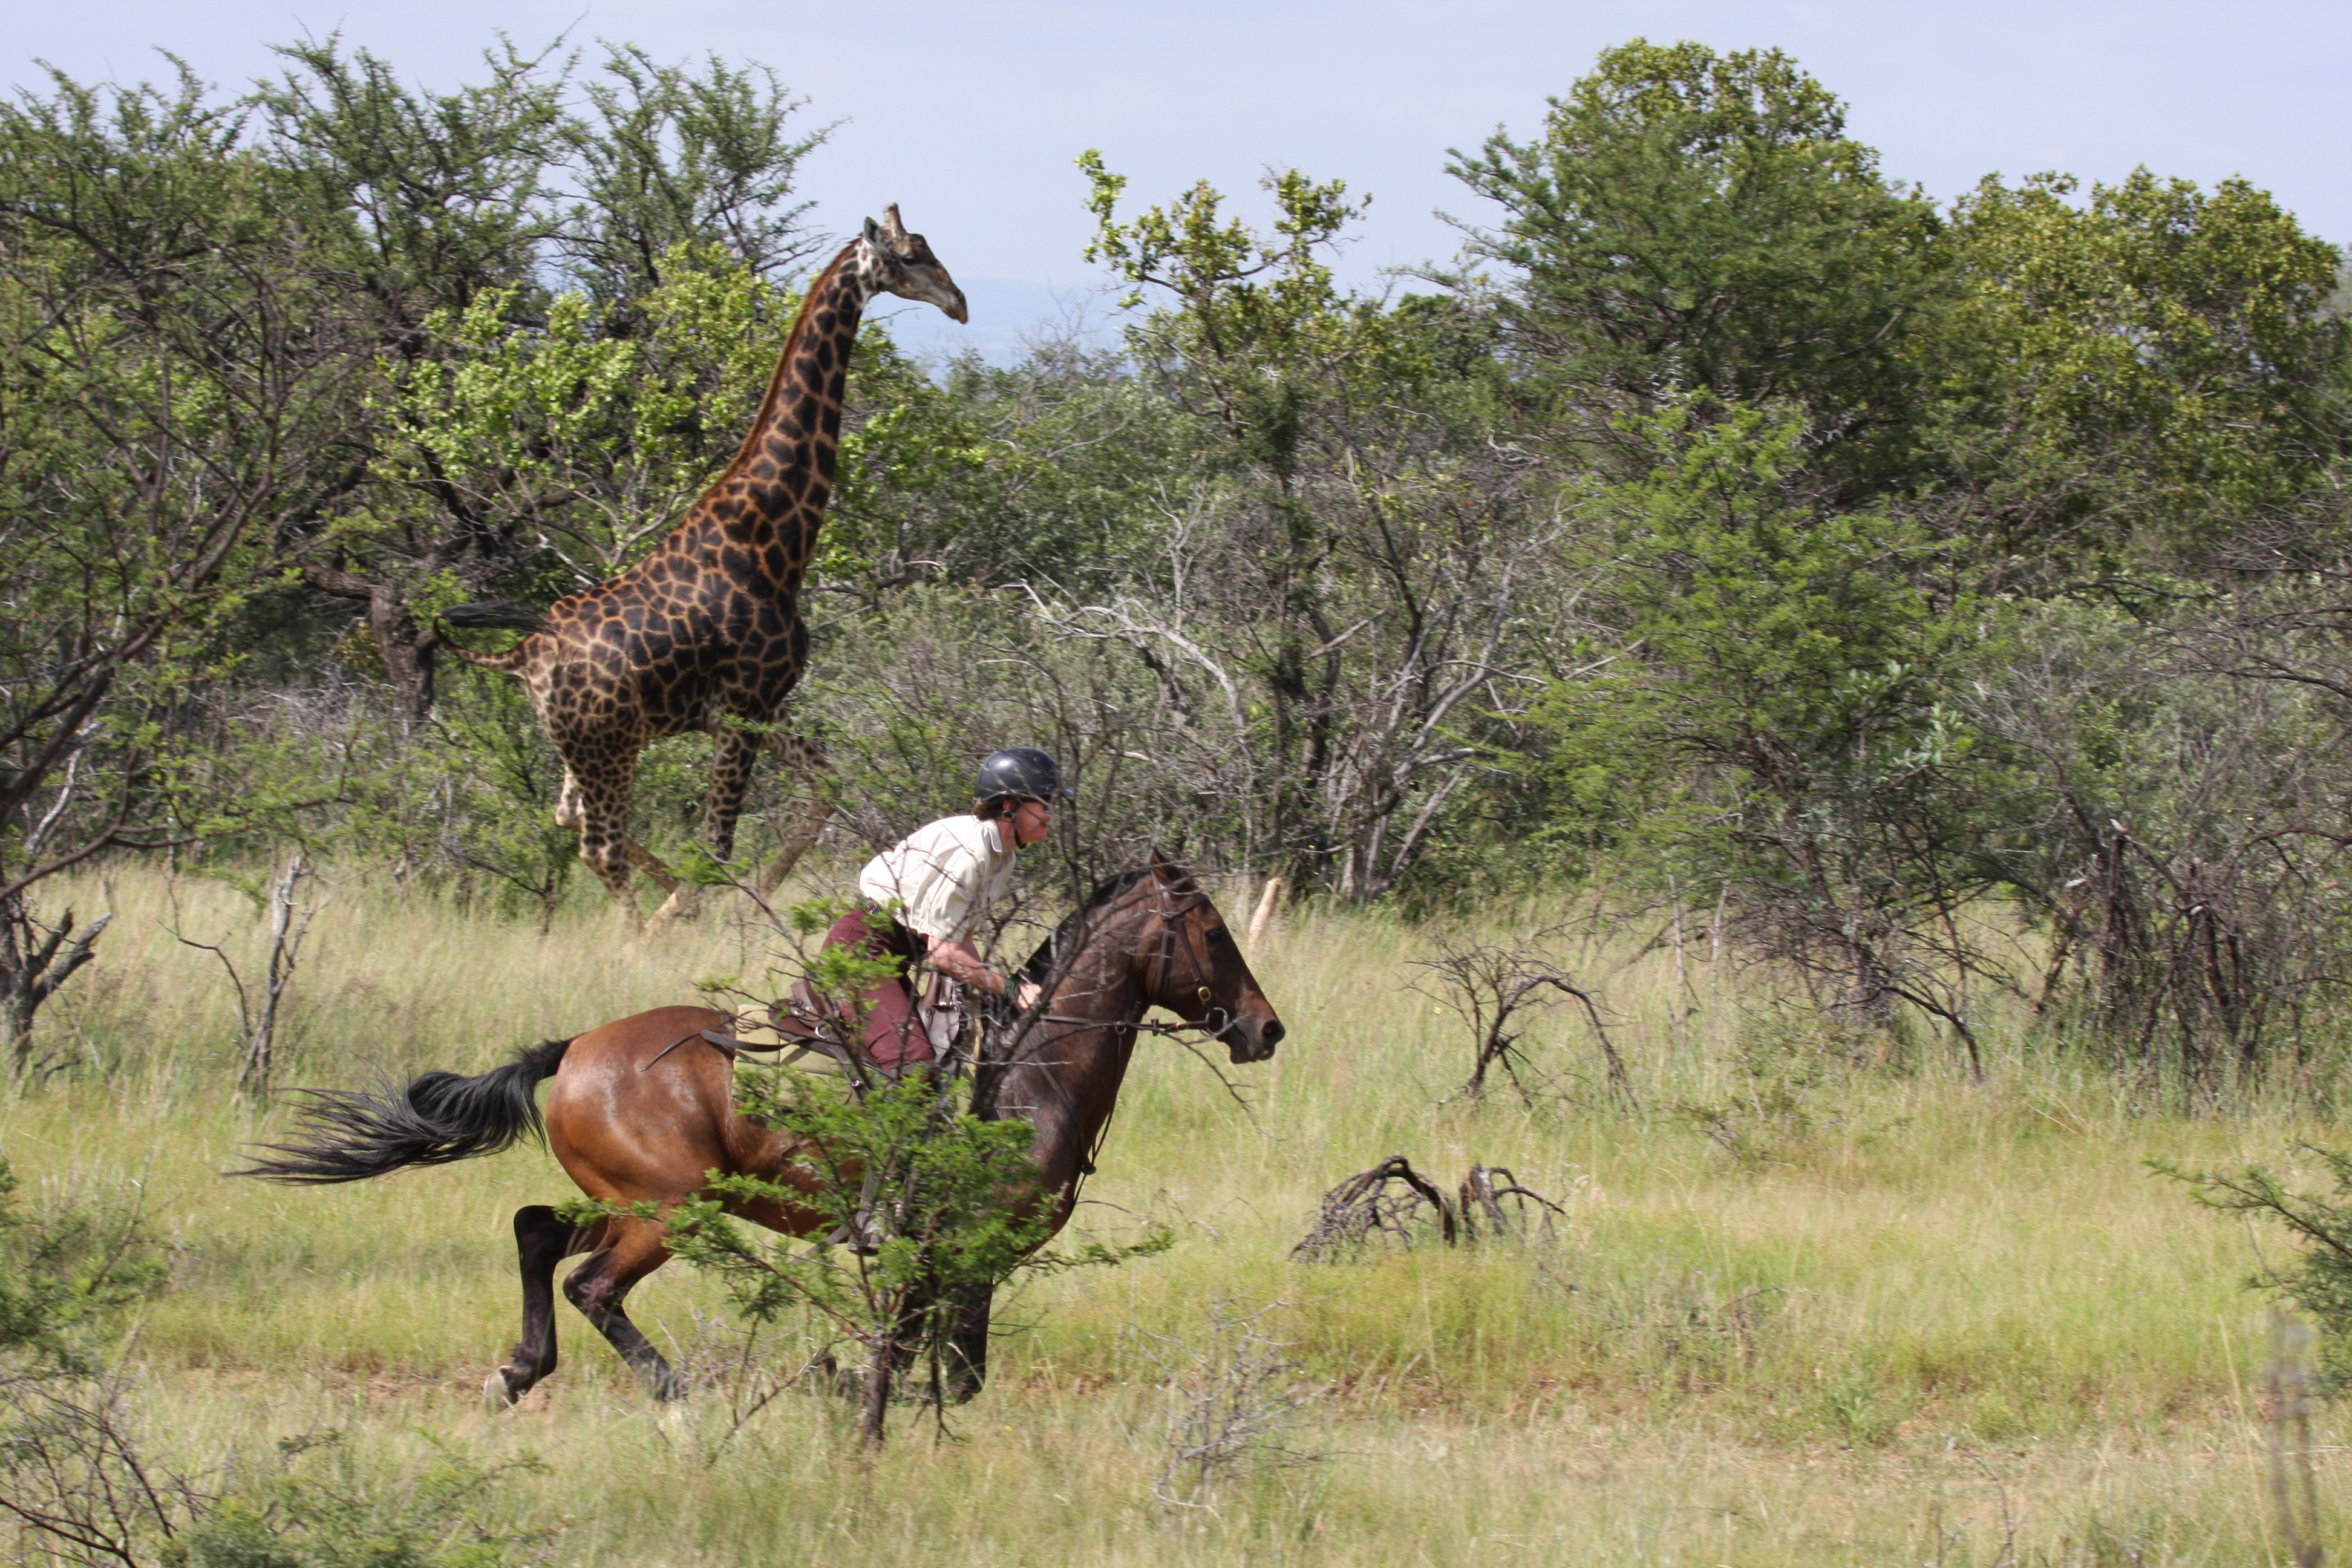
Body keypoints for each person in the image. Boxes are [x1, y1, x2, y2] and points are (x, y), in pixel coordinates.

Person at [817, 748, 1073, 1075]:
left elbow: (958, 939)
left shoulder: (1003, 856)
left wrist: (990, 989)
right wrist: (1010, 989)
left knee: (942, 1059)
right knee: (914, 1068)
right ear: (1010, 806)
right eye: (1045, 803)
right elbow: (943, 955)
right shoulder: (974, 851)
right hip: (860, 951)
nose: (1052, 814)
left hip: (890, 956)